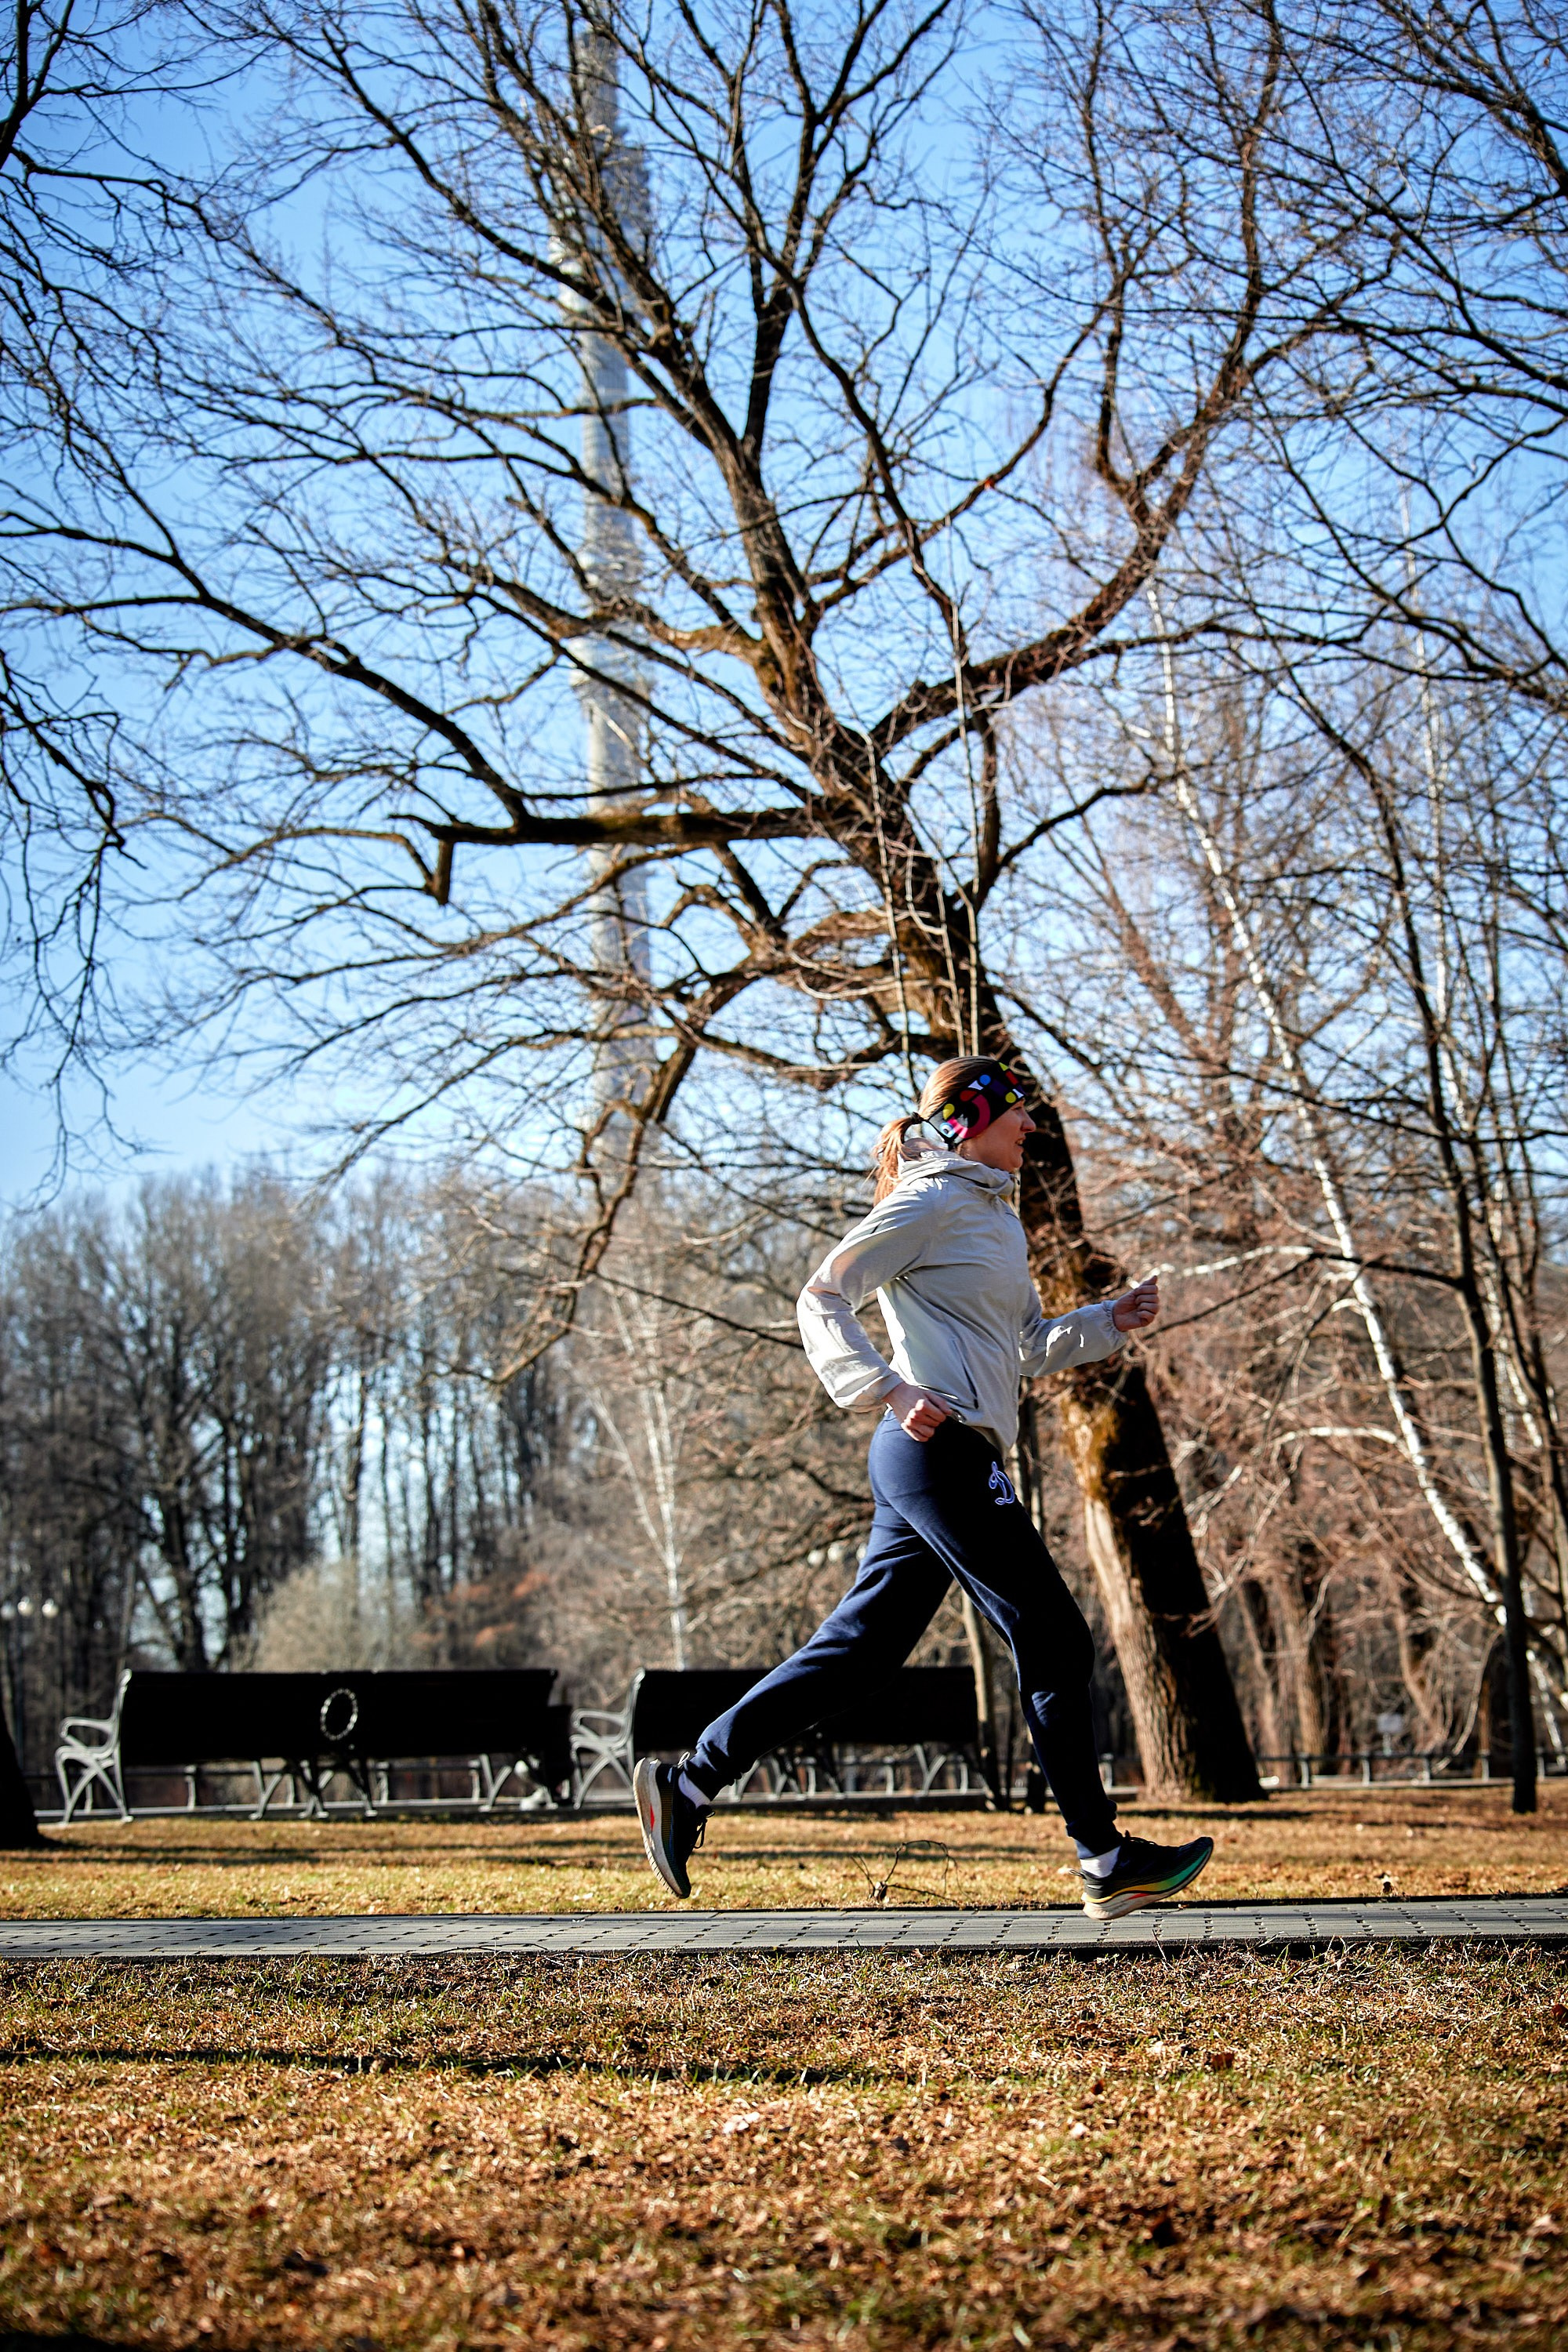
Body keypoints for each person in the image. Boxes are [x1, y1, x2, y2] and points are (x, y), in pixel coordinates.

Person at [633, 1055, 1214, 1922]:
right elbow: (820, 1296)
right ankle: (1103, 1857)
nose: (1030, 1128)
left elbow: (1021, 1346)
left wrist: (1105, 1322)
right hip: (935, 1448)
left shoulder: (990, 1218)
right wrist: (888, 1388)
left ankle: (689, 1782)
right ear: (971, 1118)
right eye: (1018, 1115)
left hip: (944, 1453)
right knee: (1052, 1636)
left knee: (861, 1651)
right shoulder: (928, 1201)